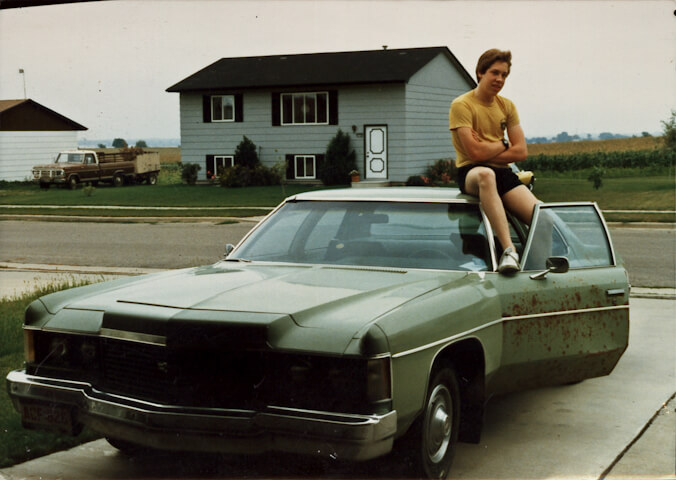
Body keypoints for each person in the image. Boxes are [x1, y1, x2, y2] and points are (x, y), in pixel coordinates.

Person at [449, 49, 539, 274]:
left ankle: (535, 265)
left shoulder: (506, 106)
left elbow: (521, 152)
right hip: (471, 172)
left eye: (504, 75)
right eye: (494, 73)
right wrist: (503, 144)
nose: (500, 79)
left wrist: (487, 150)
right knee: (485, 175)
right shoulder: (462, 105)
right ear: (480, 73)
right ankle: (509, 251)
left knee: (543, 218)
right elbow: (474, 154)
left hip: (504, 173)